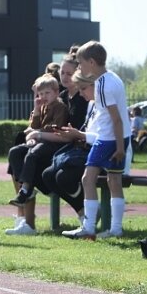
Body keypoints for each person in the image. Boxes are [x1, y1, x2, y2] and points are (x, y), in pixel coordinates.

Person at [5, 53, 89, 235]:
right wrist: (33, 133)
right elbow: (36, 124)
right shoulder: (60, 95)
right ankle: (27, 209)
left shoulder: (81, 100)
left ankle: (30, 196)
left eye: (69, 73)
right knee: (15, 152)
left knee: (37, 161)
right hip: (54, 146)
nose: (64, 77)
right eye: (62, 73)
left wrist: (39, 134)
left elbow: (68, 136)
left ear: (78, 73)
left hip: (70, 150)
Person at [63, 41, 132, 239]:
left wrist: (119, 147)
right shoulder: (113, 78)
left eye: (82, 64)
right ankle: (115, 229)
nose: (80, 68)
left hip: (109, 139)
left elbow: (116, 119)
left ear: (92, 62)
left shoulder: (102, 85)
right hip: (116, 138)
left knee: (88, 179)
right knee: (113, 181)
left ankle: (89, 227)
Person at [36, 70, 97, 232]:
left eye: (83, 89)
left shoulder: (104, 104)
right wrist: (75, 134)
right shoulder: (91, 104)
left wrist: (78, 134)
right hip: (84, 149)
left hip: (99, 153)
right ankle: (82, 211)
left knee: (63, 177)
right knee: (47, 175)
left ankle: (90, 215)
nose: (81, 92)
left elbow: (105, 136)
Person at [7, 73, 69, 207]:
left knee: (32, 154)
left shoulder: (60, 107)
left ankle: (25, 189)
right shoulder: (42, 106)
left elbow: (56, 128)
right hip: (40, 141)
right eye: (40, 94)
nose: (43, 97)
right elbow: (34, 126)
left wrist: (37, 133)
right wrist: (36, 109)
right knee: (15, 152)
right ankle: (25, 186)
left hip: (53, 143)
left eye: (47, 93)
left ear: (56, 92)